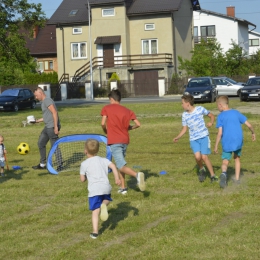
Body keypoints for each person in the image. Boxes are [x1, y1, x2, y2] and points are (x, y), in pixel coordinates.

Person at [101, 89, 145, 194]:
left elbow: (103, 123)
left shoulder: (107, 108)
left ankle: (137, 175)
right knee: (121, 164)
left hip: (114, 141)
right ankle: (123, 188)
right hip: (124, 140)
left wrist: (106, 131)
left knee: (120, 165)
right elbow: (138, 124)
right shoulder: (127, 110)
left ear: (111, 99)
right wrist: (130, 128)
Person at [80, 139, 121, 239]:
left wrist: (84, 178)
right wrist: (117, 178)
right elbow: (113, 166)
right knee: (107, 199)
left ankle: (95, 232)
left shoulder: (84, 164)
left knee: (95, 211)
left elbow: (82, 179)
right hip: (105, 187)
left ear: (85, 151)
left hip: (94, 190)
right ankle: (104, 204)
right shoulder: (104, 160)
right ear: (98, 150)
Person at [173, 94, 218, 182]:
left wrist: (211, 122)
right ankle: (202, 169)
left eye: (182, 103)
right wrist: (177, 137)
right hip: (193, 139)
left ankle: (213, 176)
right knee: (197, 157)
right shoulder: (184, 115)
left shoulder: (200, 109)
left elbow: (212, 116)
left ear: (188, 103)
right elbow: (184, 129)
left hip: (204, 136)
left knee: (204, 157)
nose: (181, 105)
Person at [214, 96, 256, 188]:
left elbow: (220, 133)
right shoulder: (236, 113)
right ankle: (237, 179)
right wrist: (253, 133)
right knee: (237, 158)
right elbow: (249, 125)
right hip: (237, 141)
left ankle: (224, 173)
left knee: (225, 161)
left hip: (227, 142)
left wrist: (216, 145)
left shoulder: (220, 116)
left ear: (220, 105)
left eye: (217, 105)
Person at [32, 87, 62, 170]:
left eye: (36, 95)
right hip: (47, 126)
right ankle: (42, 164)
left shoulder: (47, 100)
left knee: (54, 146)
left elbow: (54, 112)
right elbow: (47, 116)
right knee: (41, 143)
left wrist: (55, 127)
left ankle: (60, 165)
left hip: (52, 127)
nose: (36, 97)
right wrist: (37, 121)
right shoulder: (43, 102)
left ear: (41, 93)